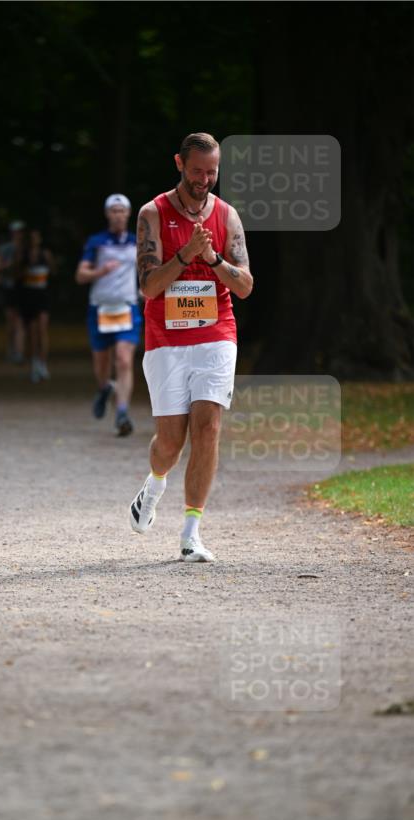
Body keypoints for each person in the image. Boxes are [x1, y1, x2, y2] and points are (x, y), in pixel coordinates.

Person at [130, 132, 253, 562]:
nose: (205, 179)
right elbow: (148, 286)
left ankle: (191, 532)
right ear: (179, 164)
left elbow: (245, 286)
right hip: (166, 339)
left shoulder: (227, 216)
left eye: (212, 172)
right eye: (198, 170)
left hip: (216, 334)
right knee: (170, 443)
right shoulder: (152, 213)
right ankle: (155, 482)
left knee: (208, 428)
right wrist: (185, 255)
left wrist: (214, 258)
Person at [75, 194, 141, 436]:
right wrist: (100, 271)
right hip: (100, 308)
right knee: (101, 363)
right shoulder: (97, 242)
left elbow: (147, 271)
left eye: (121, 210)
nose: (118, 215)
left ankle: (122, 411)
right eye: (113, 210)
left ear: (128, 213)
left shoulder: (137, 242)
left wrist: (146, 289)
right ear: (107, 214)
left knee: (123, 360)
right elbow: (81, 275)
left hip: (127, 307)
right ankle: (104, 388)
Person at [17, 227, 55, 382]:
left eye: (36, 237)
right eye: (31, 237)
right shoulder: (23, 254)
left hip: (42, 294)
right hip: (28, 295)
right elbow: (17, 274)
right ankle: (34, 363)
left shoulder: (45, 254)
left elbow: (53, 271)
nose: (34, 240)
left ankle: (43, 362)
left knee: (42, 330)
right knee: (32, 332)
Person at [0, 221, 26, 363]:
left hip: (24, 288)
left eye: (21, 231)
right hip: (9, 288)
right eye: (16, 231)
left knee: (20, 321)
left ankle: (19, 352)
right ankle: (11, 349)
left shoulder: (27, 248)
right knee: (11, 321)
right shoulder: (4, 249)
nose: (18, 234)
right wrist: (12, 265)